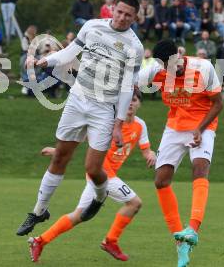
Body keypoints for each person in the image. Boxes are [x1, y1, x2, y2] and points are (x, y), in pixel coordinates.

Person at [16, 0, 144, 236]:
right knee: (60, 158)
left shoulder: (134, 47)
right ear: (112, 9)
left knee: (93, 169)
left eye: (128, 15)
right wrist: (44, 62)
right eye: (119, 12)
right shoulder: (91, 26)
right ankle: (38, 211)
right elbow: (69, 53)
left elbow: (127, 86)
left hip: (104, 108)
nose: (122, 17)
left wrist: (118, 124)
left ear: (135, 18)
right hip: (77, 100)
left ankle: (98, 197)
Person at [27, 89, 156, 262]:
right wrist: (58, 151)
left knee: (79, 215)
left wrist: (151, 155)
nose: (131, 103)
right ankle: (110, 241)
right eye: (128, 100)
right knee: (134, 203)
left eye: (135, 100)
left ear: (139, 103)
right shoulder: (110, 122)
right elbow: (82, 136)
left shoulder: (140, 125)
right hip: (101, 173)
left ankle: (39, 241)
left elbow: (146, 150)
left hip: (102, 178)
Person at [138, 39, 223, 267]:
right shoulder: (155, 71)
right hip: (174, 127)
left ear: (179, 54)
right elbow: (129, 85)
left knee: (200, 168)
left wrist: (200, 129)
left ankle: (193, 229)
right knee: (161, 181)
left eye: (169, 62)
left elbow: (218, 104)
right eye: (162, 64)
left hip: (202, 125)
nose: (166, 68)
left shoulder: (203, 68)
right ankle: (181, 240)